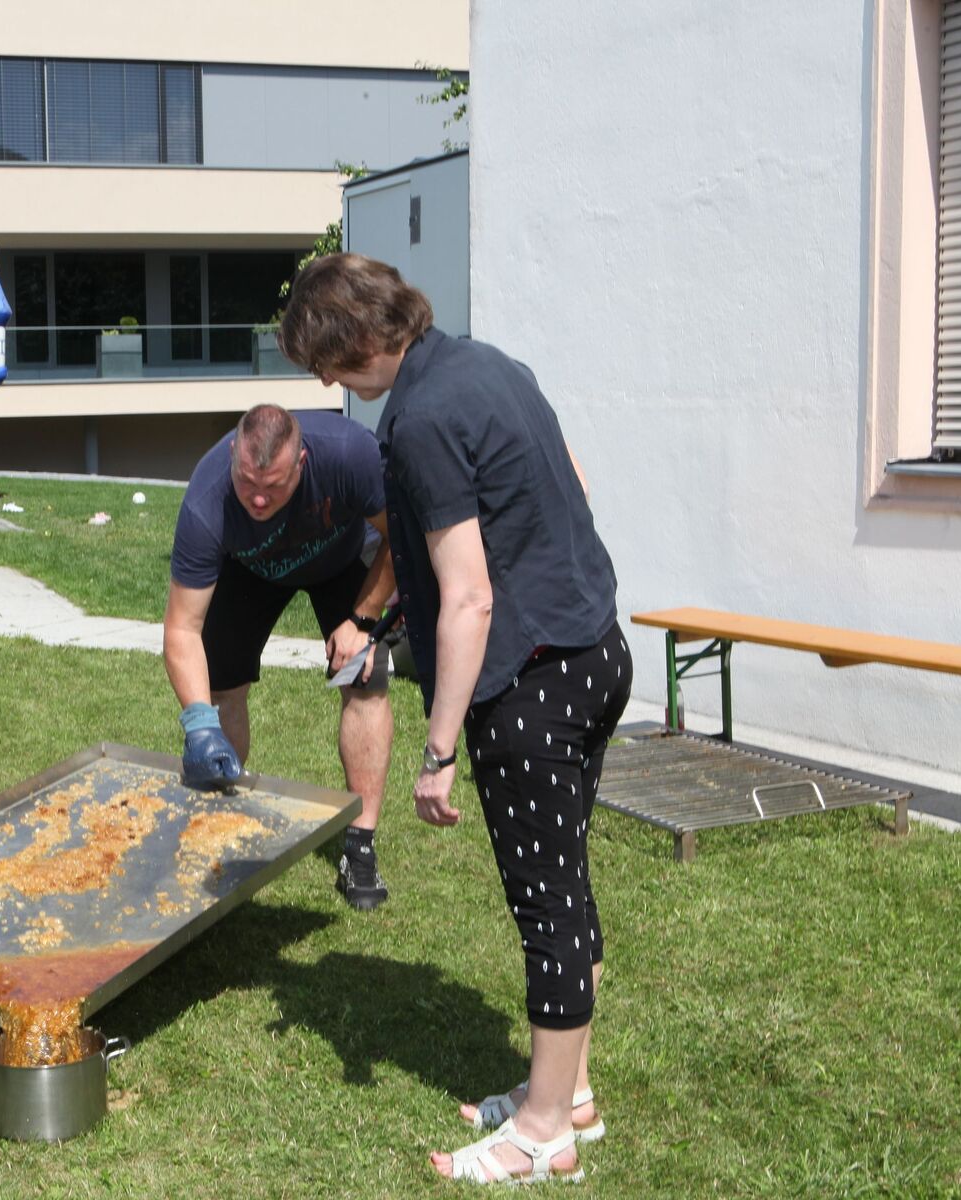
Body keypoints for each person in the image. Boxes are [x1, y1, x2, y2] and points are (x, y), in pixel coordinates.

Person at [281, 253, 628, 1186]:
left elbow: (469, 596)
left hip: (532, 687)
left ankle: (544, 1133)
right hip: (596, 652)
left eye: (325, 363)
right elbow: (571, 484)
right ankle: (571, 1092)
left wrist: (437, 752)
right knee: (569, 884)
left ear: (355, 342)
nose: (328, 384)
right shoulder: (489, 365)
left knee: (546, 906)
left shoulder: (423, 419)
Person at [162, 402, 398, 909]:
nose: (258, 498)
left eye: (273, 486)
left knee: (365, 679)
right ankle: (215, 822)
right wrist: (199, 723)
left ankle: (360, 846)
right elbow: (182, 627)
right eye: (247, 482)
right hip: (251, 569)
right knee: (219, 690)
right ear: (233, 455)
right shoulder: (208, 499)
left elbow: (404, 533)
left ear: (302, 463)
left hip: (341, 557)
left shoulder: (348, 454)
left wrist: (363, 620)